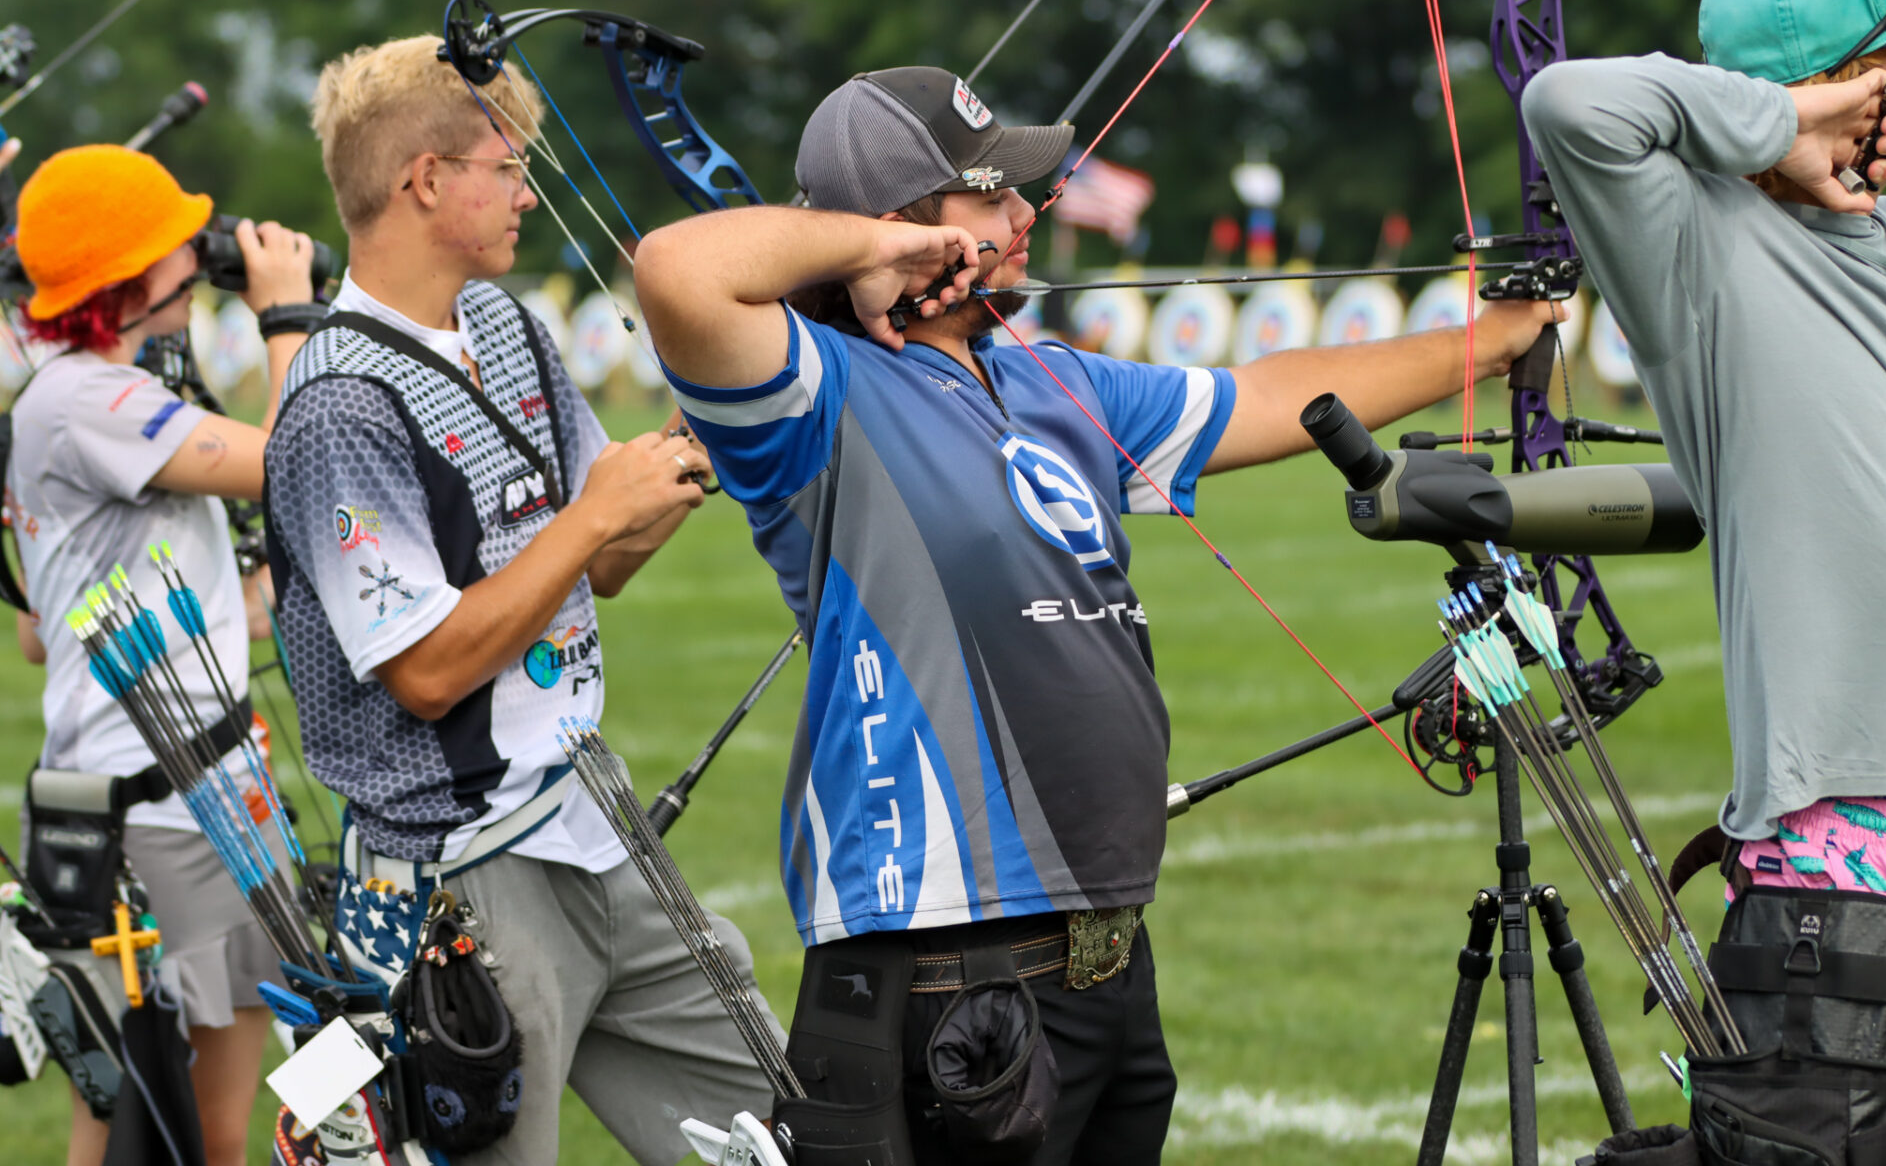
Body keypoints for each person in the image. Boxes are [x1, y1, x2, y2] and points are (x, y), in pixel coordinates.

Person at [628, 64, 1559, 1165]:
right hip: (943, 970)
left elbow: (1268, 393)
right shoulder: (810, 394)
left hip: (1106, 955)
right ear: (902, 225)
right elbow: (674, 269)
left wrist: (1493, 340)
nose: (1028, 216)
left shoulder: (1047, 378)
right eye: (993, 196)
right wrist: (861, 249)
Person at [263, 35, 779, 1165]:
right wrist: (598, 511)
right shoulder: (336, 403)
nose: (528, 189)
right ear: (425, 180)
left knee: (786, 1124)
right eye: (505, 164)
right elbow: (430, 667)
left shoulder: (507, 323)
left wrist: (700, 454)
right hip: (461, 883)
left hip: (597, 824)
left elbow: (603, 561)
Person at [1523, 0, 1886, 1161]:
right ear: (1854, 85)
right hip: (1848, 873)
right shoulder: (1702, 248)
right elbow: (1574, 106)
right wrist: (1791, 129)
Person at [6, 142, 322, 1166]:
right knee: (159, 1124)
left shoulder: (86, 396)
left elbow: (39, 627)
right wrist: (285, 311)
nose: (201, 257)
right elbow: (292, 456)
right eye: (180, 247)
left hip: (205, 790)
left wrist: (252, 599)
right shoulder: (86, 398)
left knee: (191, 1124)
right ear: (131, 276)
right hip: (161, 816)